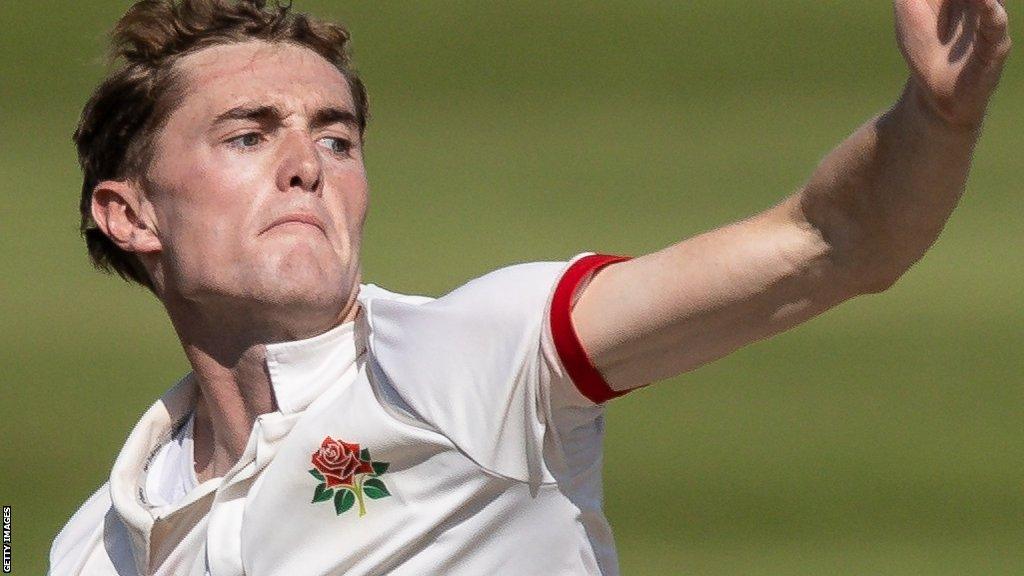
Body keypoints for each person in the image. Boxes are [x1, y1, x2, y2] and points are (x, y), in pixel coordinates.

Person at [49, 0, 1010, 574]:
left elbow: (832, 241)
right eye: (248, 136)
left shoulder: (473, 356)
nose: (308, 164)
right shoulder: (95, 543)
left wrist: (937, 115)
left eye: (336, 138)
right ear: (130, 215)